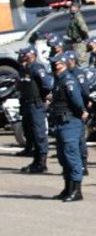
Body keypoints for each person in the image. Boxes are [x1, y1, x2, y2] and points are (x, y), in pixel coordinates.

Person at [47, 53, 86, 202]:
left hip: (69, 123)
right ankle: (67, 188)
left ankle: (77, 191)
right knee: (63, 158)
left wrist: (82, 111)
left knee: (72, 156)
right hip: (60, 124)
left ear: (61, 64)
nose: (53, 65)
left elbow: (77, 101)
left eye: (55, 63)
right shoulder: (58, 80)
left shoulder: (68, 81)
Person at [17, 46, 53, 174]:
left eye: (24, 54)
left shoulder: (36, 68)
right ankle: (35, 160)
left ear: (31, 55)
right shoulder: (23, 68)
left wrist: (44, 98)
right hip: (26, 104)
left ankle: (41, 163)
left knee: (39, 134)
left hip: (36, 104)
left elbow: (47, 85)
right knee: (30, 132)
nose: (21, 56)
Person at [65, 52, 93, 176]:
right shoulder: (65, 74)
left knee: (80, 139)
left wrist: (84, 108)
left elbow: (85, 92)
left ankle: (83, 165)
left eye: (69, 60)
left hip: (78, 109)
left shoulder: (78, 73)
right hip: (68, 110)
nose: (67, 62)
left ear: (73, 60)